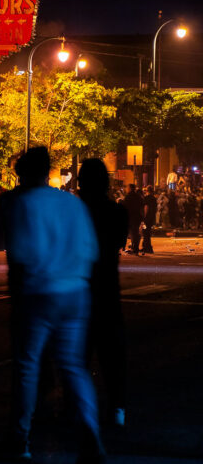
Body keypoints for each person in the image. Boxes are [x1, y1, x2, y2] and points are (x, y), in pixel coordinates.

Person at [0, 147, 103, 464]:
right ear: (47, 172)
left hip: (36, 292)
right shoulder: (71, 203)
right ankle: (91, 438)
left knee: (27, 367)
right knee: (73, 366)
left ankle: (19, 439)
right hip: (75, 291)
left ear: (21, 173)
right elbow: (91, 250)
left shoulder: (13, 201)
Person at [79, 159, 129, 428]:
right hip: (108, 290)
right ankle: (117, 408)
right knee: (112, 357)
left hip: (80, 291)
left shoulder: (74, 213)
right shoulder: (117, 212)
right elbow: (119, 242)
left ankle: (81, 410)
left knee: (80, 357)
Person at [120, 184, 143, 254]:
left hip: (130, 217)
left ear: (130, 188)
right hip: (137, 217)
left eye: (127, 187)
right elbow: (142, 206)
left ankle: (134, 248)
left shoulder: (128, 197)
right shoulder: (138, 197)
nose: (126, 189)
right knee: (135, 233)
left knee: (132, 233)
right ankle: (135, 247)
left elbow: (125, 207)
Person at [140, 186, 157, 254]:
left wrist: (144, 216)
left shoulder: (147, 198)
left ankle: (148, 248)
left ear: (147, 191)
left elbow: (146, 207)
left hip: (147, 218)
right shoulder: (153, 198)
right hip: (152, 217)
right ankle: (146, 247)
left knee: (145, 232)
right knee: (147, 232)